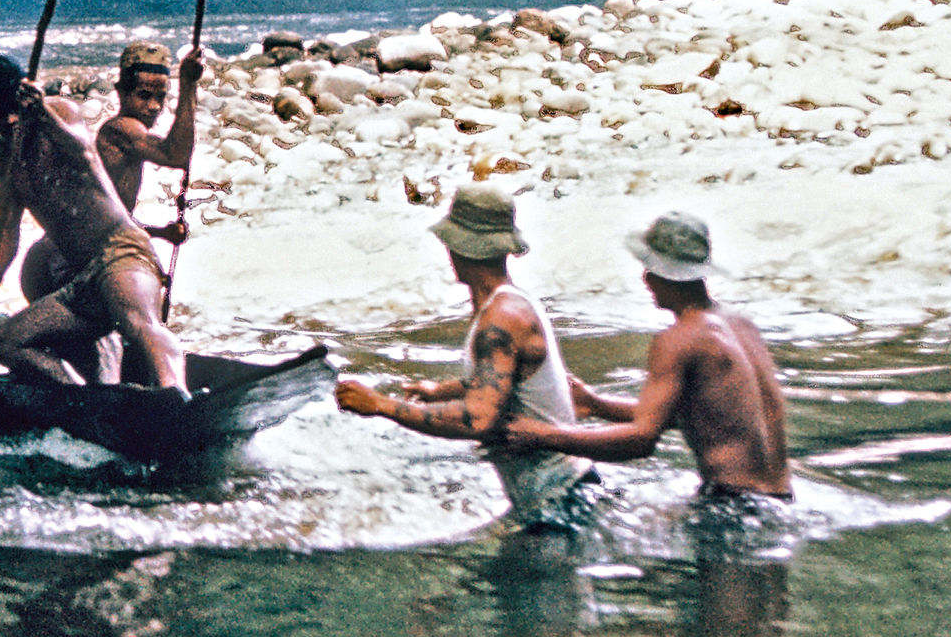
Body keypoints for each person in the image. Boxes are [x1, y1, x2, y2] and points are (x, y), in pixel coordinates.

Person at [334, 182, 606, 532]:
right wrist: (440, 391)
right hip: (561, 495)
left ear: (456, 247)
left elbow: (478, 419)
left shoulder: (501, 319)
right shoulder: (507, 303)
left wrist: (381, 405)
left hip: (561, 501)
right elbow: (502, 382)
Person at [503, 212, 792, 500]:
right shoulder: (742, 326)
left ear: (654, 275)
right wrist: (596, 404)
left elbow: (641, 441)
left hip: (733, 503)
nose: (644, 278)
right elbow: (711, 418)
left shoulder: (679, 339)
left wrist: (540, 435)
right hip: (780, 499)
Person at [0, 54, 188, 389]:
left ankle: (175, 395)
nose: (5, 120)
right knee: (6, 340)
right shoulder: (5, 154)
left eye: (10, 109)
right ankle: (79, 399)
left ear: (22, 98)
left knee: (141, 324)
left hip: (120, 253)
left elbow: (82, 152)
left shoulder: (56, 111)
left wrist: (40, 112)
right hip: (79, 281)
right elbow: (7, 223)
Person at [19, 40, 204, 306]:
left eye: (160, 97)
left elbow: (108, 222)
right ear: (120, 92)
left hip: (53, 260)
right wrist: (188, 86)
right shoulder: (120, 129)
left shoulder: (128, 134)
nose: (153, 106)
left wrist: (159, 233)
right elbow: (175, 155)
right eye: (143, 95)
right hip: (56, 264)